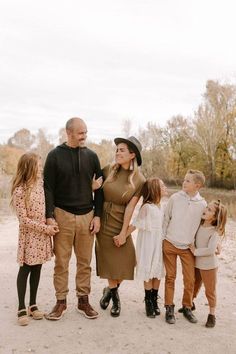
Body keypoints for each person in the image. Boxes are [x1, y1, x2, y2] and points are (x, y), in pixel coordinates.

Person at [44, 117, 103, 320]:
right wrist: (49, 216)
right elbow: (48, 188)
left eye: (85, 132)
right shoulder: (54, 156)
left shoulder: (92, 156)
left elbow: (100, 188)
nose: (84, 136)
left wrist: (98, 216)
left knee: (85, 262)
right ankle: (61, 302)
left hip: (87, 215)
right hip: (62, 215)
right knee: (61, 262)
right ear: (68, 133)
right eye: (80, 133)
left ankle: (83, 300)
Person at [95, 136, 146, 317]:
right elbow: (96, 191)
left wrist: (124, 232)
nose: (117, 152)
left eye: (122, 150)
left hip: (121, 220)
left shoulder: (139, 179)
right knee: (109, 261)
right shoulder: (109, 169)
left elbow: (131, 207)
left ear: (132, 154)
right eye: (117, 149)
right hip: (104, 220)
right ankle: (116, 299)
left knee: (128, 261)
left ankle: (109, 291)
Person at [11, 153, 58, 326]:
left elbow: (48, 204)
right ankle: (21, 307)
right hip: (29, 235)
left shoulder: (41, 184)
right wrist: (45, 228)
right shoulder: (20, 190)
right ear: (28, 168)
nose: (41, 168)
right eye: (38, 165)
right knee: (25, 269)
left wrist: (50, 221)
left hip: (41, 235)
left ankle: (33, 304)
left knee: (37, 268)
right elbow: (23, 219)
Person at [162, 169, 207, 324]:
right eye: (184, 180)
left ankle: (187, 307)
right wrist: (162, 239)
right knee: (170, 277)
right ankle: (169, 308)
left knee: (190, 279)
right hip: (169, 242)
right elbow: (166, 218)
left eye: (188, 181)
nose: (184, 182)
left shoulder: (202, 204)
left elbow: (204, 226)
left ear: (198, 185)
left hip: (187, 247)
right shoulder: (175, 198)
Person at [126, 178, 167, 318]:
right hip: (148, 245)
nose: (165, 187)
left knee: (157, 270)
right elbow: (135, 224)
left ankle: (155, 299)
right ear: (155, 189)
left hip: (158, 243)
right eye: (162, 186)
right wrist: (122, 236)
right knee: (148, 271)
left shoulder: (160, 206)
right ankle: (148, 301)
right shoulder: (147, 207)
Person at [189, 200, 227, 328]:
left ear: (215, 217)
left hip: (209, 265)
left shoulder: (214, 232)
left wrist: (195, 251)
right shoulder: (198, 225)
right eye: (206, 207)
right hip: (197, 263)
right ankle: (190, 304)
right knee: (194, 285)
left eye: (210, 210)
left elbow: (211, 250)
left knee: (210, 290)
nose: (205, 210)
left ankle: (212, 314)